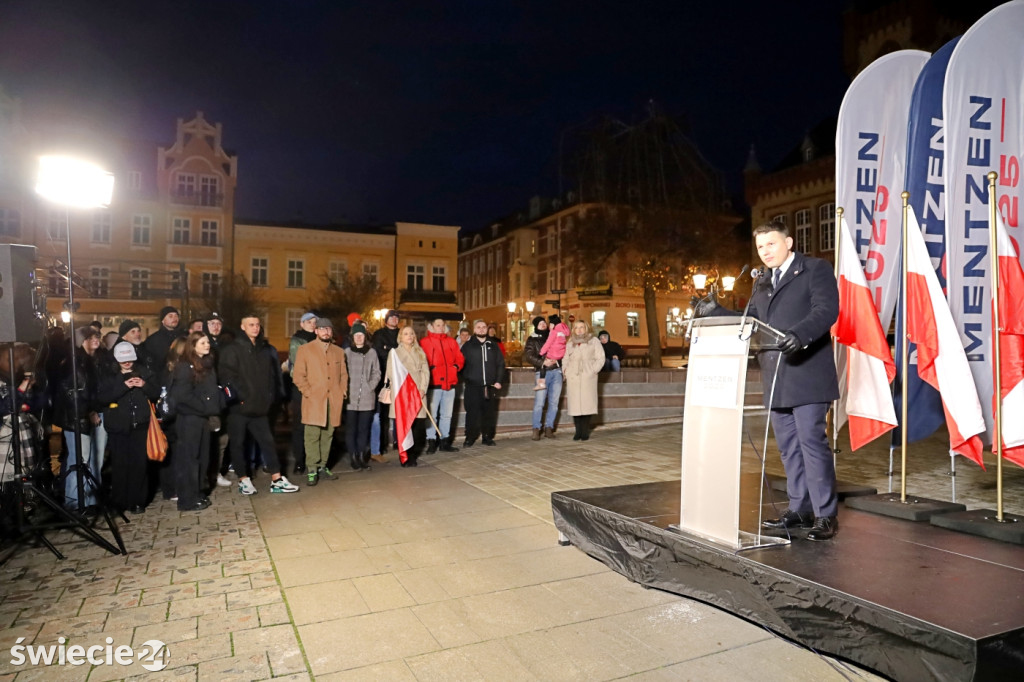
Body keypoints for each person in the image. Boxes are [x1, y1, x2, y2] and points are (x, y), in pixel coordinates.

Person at [695, 219, 840, 541]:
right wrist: (716, 312)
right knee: (788, 448)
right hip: (776, 375)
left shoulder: (815, 269)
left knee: (811, 444)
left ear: (788, 243)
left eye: (771, 244)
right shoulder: (762, 282)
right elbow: (755, 321)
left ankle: (825, 514)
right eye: (760, 247)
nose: (765, 252)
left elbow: (827, 310)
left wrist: (800, 334)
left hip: (808, 372)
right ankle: (800, 508)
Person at [218, 314, 300, 495]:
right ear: (242, 326)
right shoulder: (231, 349)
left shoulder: (263, 350)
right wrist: (240, 398)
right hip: (239, 408)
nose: (255, 328)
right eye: (251, 324)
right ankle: (243, 479)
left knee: (268, 443)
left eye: (257, 325)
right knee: (238, 444)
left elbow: (271, 378)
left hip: (260, 408)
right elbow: (227, 377)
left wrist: (270, 398)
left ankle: (277, 479)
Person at [98, 342, 160, 513]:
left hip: (140, 425)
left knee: (139, 465)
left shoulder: (145, 372)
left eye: (129, 359)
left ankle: (137, 501)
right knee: (120, 465)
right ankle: (119, 501)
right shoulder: (109, 376)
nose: (127, 363)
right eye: (123, 360)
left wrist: (144, 385)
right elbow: (102, 398)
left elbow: (156, 392)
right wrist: (124, 387)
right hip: (118, 426)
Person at [170, 332, 224, 511]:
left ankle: (197, 492)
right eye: (202, 342)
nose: (207, 345)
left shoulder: (207, 364)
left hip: (202, 418)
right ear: (193, 346)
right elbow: (183, 395)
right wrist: (205, 407)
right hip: (189, 418)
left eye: (207, 342)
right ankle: (187, 499)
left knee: (202, 457)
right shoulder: (185, 366)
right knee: (189, 459)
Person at [292, 317, 348, 485]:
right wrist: (308, 392)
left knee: (328, 434)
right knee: (312, 435)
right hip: (314, 400)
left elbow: (344, 375)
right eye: (322, 329)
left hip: (333, 399)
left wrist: (342, 392)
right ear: (316, 331)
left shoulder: (339, 351)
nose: (326, 332)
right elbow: (298, 375)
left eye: (328, 329)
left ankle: (323, 466)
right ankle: (312, 469)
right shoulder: (305, 350)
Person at [55, 327, 104, 511]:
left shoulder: (90, 360)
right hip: (75, 420)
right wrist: (88, 412)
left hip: (83, 418)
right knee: (78, 462)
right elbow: (73, 394)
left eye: (96, 336)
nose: (95, 339)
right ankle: (75, 503)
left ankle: (87, 501)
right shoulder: (75, 363)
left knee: (86, 461)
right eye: (89, 337)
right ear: (80, 341)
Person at [384, 325, 429, 466]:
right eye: (405, 334)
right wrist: (406, 388)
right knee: (405, 425)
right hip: (403, 394)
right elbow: (391, 373)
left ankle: (414, 454)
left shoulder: (420, 352)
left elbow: (425, 372)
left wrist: (422, 389)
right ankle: (405, 455)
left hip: (418, 393)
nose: (409, 336)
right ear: (400, 337)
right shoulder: (394, 353)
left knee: (418, 426)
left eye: (411, 333)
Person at [419, 318, 464, 453]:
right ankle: (431, 441)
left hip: (450, 382)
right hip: (434, 383)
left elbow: (460, 358)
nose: (440, 327)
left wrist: (455, 367)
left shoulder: (451, 342)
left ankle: (445, 441)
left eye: (442, 325)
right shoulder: (425, 342)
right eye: (438, 325)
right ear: (432, 326)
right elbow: (421, 360)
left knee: (447, 414)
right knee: (432, 414)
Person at [460, 319, 505, 447]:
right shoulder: (468, 346)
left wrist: (498, 380)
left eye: (484, 327)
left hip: (490, 387)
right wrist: (467, 378)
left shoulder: (493, 345)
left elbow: (500, 364)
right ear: (474, 330)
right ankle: (470, 437)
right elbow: (461, 364)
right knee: (472, 413)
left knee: (489, 413)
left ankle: (487, 436)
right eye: (478, 327)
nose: (481, 329)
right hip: (473, 386)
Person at [344, 322, 380, 470]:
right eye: (356, 335)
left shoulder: (371, 353)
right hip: (350, 399)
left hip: (367, 397)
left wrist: (369, 386)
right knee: (351, 428)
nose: (359, 338)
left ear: (365, 337)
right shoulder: (346, 352)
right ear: (353, 337)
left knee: (364, 429)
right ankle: (353, 456)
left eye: (362, 335)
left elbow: (377, 372)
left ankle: (360, 455)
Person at [562, 320, 605, 441]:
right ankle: (577, 431)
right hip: (573, 376)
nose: (579, 329)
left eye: (582, 327)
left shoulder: (594, 341)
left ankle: (585, 431)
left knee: (587, 404)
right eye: (577, 327)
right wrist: (566, 371)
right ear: (573, 329)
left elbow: (600, 358)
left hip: (588, 375)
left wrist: (593, 370)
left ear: (586, 328)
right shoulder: (570, 343)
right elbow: (565, 358)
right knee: (575, 405)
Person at [287, 312, 318, 474]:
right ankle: (300, 460)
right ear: (302, 324)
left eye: (314, 322)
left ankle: (314, 459)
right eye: (309, 322)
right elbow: (298, 366)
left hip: (318, 390)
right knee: (300, 425)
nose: (312, 324)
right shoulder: (297, 340)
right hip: (302, 389)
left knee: (316, 425)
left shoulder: (320, 339)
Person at [523, 316, 562, 439]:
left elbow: (562, 349)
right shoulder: (532, 339)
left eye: (544, 322)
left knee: (554, 403)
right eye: (540, 323)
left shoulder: (554, 335)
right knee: (539, 402)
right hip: (542, 373)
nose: (543, 325)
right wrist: (542, 362)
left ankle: (549, 427)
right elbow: (529, 355)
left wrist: (560, 363)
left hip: (557, 372)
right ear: (536, 326)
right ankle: (536, 428)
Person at [371, 309, 401, 457]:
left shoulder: (402, 333)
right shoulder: (379, 334)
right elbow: (379, 352)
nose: (394, 319)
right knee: (382, 412)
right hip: (383, 377)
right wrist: (394, 351)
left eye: (396, 317)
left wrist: (389, 349)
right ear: (386, 319)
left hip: (400, 376)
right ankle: (382, 443)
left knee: (398, 411)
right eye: (392, 317)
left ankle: (398, 440)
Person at [142, 306, 185, 384]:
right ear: (163, 320)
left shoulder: (184, 336)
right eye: (170, 316)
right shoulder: (153, 340)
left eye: (176, 316)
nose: (174, 318)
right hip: (161, 379)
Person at [534, 314, 569, 390]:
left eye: (546, 323)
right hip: (561, 354)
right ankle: (563, 376)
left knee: (543, 365)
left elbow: (548, 344)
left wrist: (540, 354)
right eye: (540, 324)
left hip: (553, 354)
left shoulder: (553, 332)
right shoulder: (563, 332)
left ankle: (541, 383)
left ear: (553, 324)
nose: (547, 325)